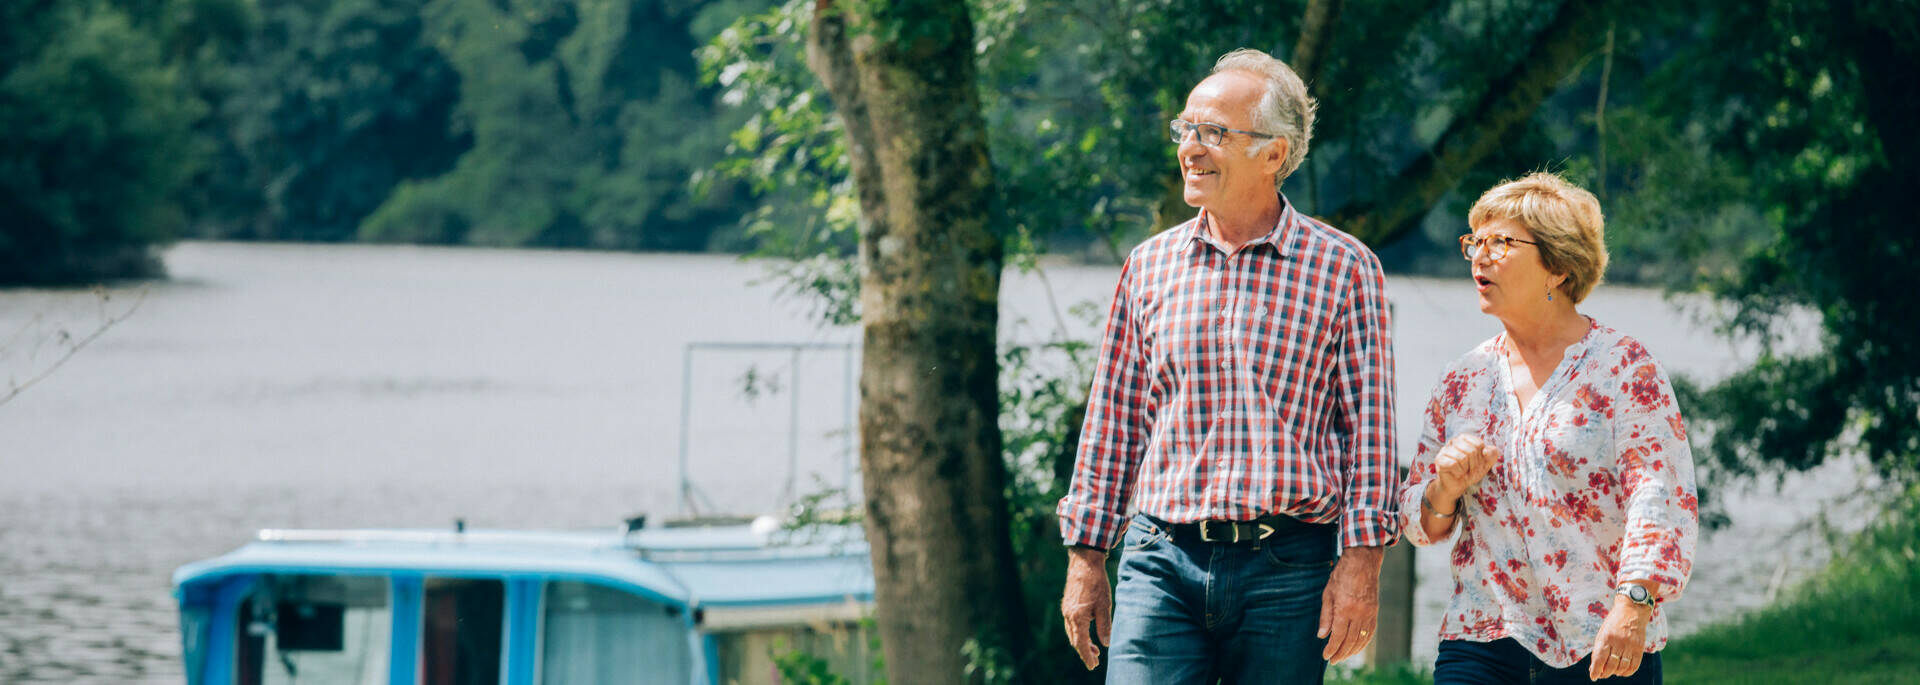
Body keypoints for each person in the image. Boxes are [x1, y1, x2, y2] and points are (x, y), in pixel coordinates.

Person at [1056, 48, 1399, 684]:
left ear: (1274, 153)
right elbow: (1115, 419)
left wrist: (1361, 567)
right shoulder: (1149, 266)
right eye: (1186, 129)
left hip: (1289, 567)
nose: (1191, 147)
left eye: (1214, 133)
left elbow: (1370, 437)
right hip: (1160, 559)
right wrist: (1086, 556)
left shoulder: (1347, 268)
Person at [1398, 172, 1698, 684]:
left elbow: (1659, 495)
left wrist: (1635, 603)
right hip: (1481, 638)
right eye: (1475, 241)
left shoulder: (1624, 368)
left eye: (1501, 243)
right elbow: (1417, 521)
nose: (1479, 256)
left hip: (1603, 642)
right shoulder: (1462, 379)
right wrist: (1443, 488)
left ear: (1558, 269)